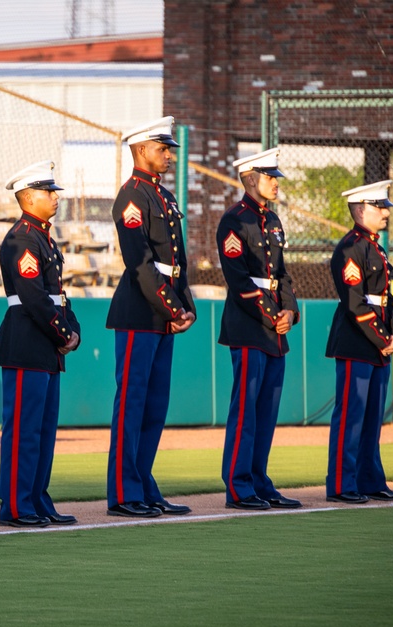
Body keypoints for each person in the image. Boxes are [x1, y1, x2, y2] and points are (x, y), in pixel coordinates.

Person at [105, 116, 196, 519]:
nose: (168, 156)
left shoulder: (165, 197)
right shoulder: (132, 197)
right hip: (141, 310)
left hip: (163, 312)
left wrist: (185, 305)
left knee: (154, 406)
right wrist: (173, 308)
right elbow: (140, 263)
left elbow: (177, 262)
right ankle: (124, 493)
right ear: (141, 150)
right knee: (132, 404)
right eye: (162, 149)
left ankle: (144, 485)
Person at [0, 161, 81, 528]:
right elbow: (34, 296)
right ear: (28, 197)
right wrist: (63, 334)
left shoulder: (42, 236)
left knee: (43, 429)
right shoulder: (22, 238)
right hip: (28, 340)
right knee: (25, 429)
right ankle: (16, 505)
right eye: (48, 191)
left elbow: (58, 296)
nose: (55, 197)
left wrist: (72, 331)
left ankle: (37, 498)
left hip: (44, 342)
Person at [216, 147, 301, 511]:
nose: (275, 183)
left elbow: (281, 276)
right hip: (250, 326)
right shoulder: (233, 221)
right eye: (269, 177)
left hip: (274, 330)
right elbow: (238, 280)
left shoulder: (274, 221)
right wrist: (271, 315)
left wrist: (291, 312)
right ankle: (238, 485)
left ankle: (260, 481)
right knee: (246, 410)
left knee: (266, 411)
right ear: (250, 178)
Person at [325, 181, 393, 504]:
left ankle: (370, 480)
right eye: (380, 206)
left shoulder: (375, 247)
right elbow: (355, 302)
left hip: (378, 344)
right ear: (361, 210)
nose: (386, 212)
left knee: (373, 416)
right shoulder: (351, 247)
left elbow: (386, 298)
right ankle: (342, 484)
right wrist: (382, 338)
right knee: (351, 416)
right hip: (357, 341)